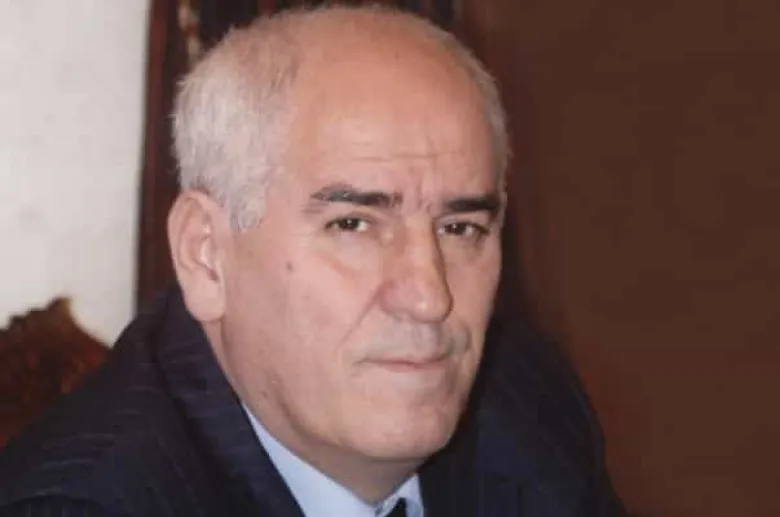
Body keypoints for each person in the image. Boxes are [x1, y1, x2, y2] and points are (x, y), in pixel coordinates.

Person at [0, 6, 625, 516]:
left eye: (460, 228)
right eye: (352, 225)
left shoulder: (524, 403)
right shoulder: (86, 504)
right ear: (206, 256)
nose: (428, 296)